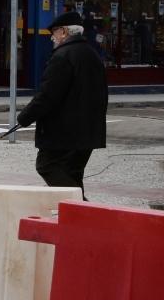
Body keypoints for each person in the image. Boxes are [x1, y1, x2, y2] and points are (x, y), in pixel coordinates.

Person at [14, 10, 107, 197]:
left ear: (64, 32)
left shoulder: (62, 56)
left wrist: (24, 118)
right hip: (89, 129)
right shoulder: (92, 54)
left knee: (47, 165)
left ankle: (82, 209)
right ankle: (77, 213)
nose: (52, 38)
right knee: (72, 173)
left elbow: (47, 95)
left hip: (64, 132)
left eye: (54, 33)